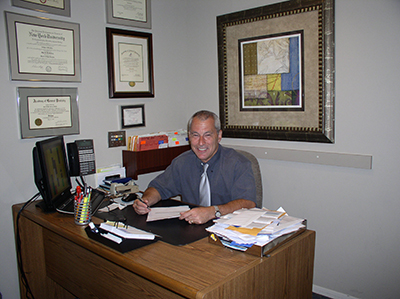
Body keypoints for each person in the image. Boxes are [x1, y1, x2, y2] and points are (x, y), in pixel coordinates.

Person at [133, 110, 256, 224]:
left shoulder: (238, 163)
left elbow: (248, 203)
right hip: (191, 229)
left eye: (207, 135)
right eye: (195, 135)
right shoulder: (182, 162)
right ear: (189, 136)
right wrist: (145, 201)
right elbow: (159, 188)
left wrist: (213, 212)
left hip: (228, 229)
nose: (201, 142)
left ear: (219, 136)